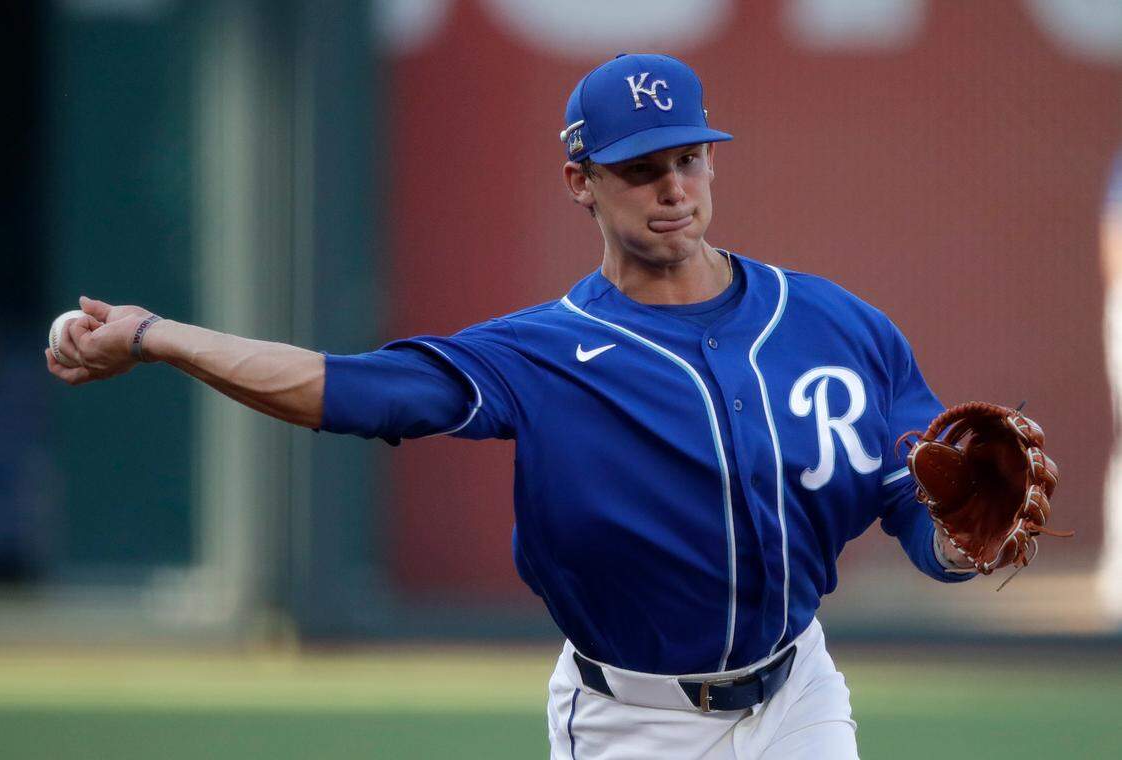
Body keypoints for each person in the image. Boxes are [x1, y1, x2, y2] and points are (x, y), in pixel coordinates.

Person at [47, 53, 977, 759]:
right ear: (581, 181)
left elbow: (918, 510)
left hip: (798, 698)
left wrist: (962, 540)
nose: (673, 189)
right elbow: (347, 390)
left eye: (690, 157)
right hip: (632, 721)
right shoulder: (537, 354)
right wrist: (157, 336)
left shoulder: (836, 323)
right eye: (641, 166)